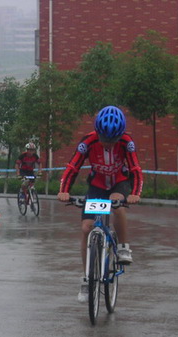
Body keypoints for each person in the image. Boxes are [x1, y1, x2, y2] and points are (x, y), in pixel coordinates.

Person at [57, 106, 143, 302]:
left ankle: (123, 247)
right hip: (97, 185)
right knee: (86, 228)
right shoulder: (88, 142)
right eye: (105, 139)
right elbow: (72, 167)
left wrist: (135, 194)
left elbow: (135, 169)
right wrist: (64, 190)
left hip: (119, 182)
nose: (108, 143)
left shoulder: (127, 142)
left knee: (117, 204)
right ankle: (87, 278)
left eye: (113, 140)